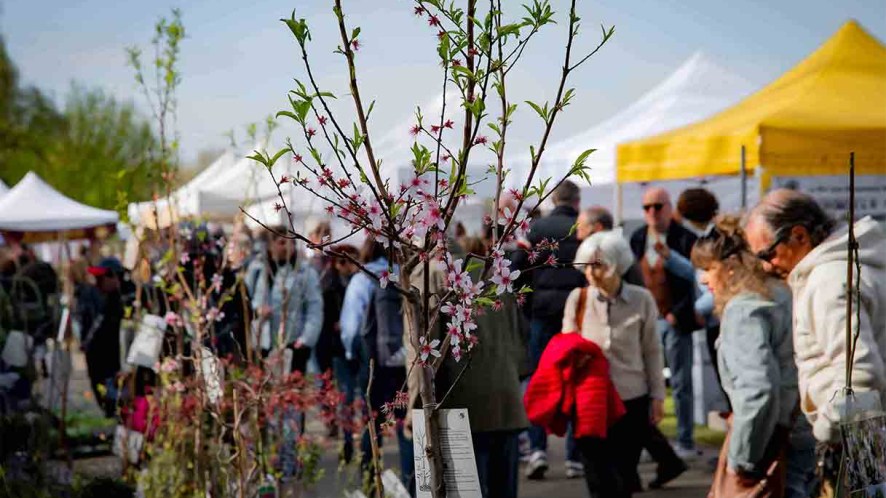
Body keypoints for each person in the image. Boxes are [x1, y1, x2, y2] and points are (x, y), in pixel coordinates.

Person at [744, 189, 886, 496]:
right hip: (867, 425)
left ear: (799, 235)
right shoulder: (855, 264)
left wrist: (825, 430)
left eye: (767, 254)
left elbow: (860, 376)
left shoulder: (828, 280)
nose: (767, 266)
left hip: (860, 430)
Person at [691, 217, 815, 497]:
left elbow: (758, 392)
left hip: (772, 444)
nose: (703, 279)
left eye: (709, 268)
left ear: (731, 266)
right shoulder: (782, 293)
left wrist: (741, 460)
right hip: (807, 433)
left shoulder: (743, 309)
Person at [568, 231, 686, 493]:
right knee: (597, 478)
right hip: (589, 400)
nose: (591, 273)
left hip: (630, 399)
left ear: (617, 266)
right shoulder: (578, 299)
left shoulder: (642, 299)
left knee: (624, 477)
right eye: (586, 266)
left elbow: (652, 351)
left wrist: (657, 396)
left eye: (598, 266)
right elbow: (566, 349)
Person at [434, 236, 529, 498]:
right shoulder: (498, 282)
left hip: (464, 404)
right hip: (506, 398)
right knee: (504, 486)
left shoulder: (441, 280)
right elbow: (520, 340)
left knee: (469, 488)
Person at [518, 180, 588, 479]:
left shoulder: (536, 229)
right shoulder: (582, 228)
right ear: (577, 201)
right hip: (576, 315)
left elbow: (518, 269)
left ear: (554, 200)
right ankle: (574, 456)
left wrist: (528, 306)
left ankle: (537, 449)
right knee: (575, 380)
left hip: (542, 314)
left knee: (539, 381)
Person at [629, 187, 699, 458]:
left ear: (669, 208)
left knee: (681, 384)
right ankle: (652, 444)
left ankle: (685, 440)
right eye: (647, 207)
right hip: (644, 321)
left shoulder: (685, 238)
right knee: (646, 385)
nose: (652, 212)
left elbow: (696, 281)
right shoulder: (637, 237)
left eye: (657, 206)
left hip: (674, 320)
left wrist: (677, 314)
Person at [339, 238, 413, 493]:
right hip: (404, 361)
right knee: (406, 423)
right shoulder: (405, 275)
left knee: (372, 422)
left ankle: (371, 485)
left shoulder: (362, 279)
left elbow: (351, 327)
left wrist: (351, 354)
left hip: (372, 364)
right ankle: (413, 483)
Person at [245, 228, 323, 373]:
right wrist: (257, 310)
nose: (287, 247)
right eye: (281, 242)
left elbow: (314, 308)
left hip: (293, 342)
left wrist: (306, 339)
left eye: (291, 243)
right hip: (263, 342)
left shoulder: (305, 272)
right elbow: (246, 301)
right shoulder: (257, 269)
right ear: (270, 245)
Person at [77, 257, 125, 417]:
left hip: (112, 353)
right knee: (99, 383)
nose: (99, 282)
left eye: (102, 277)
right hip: (95, 352)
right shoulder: (91, 294)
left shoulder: (119, 300)